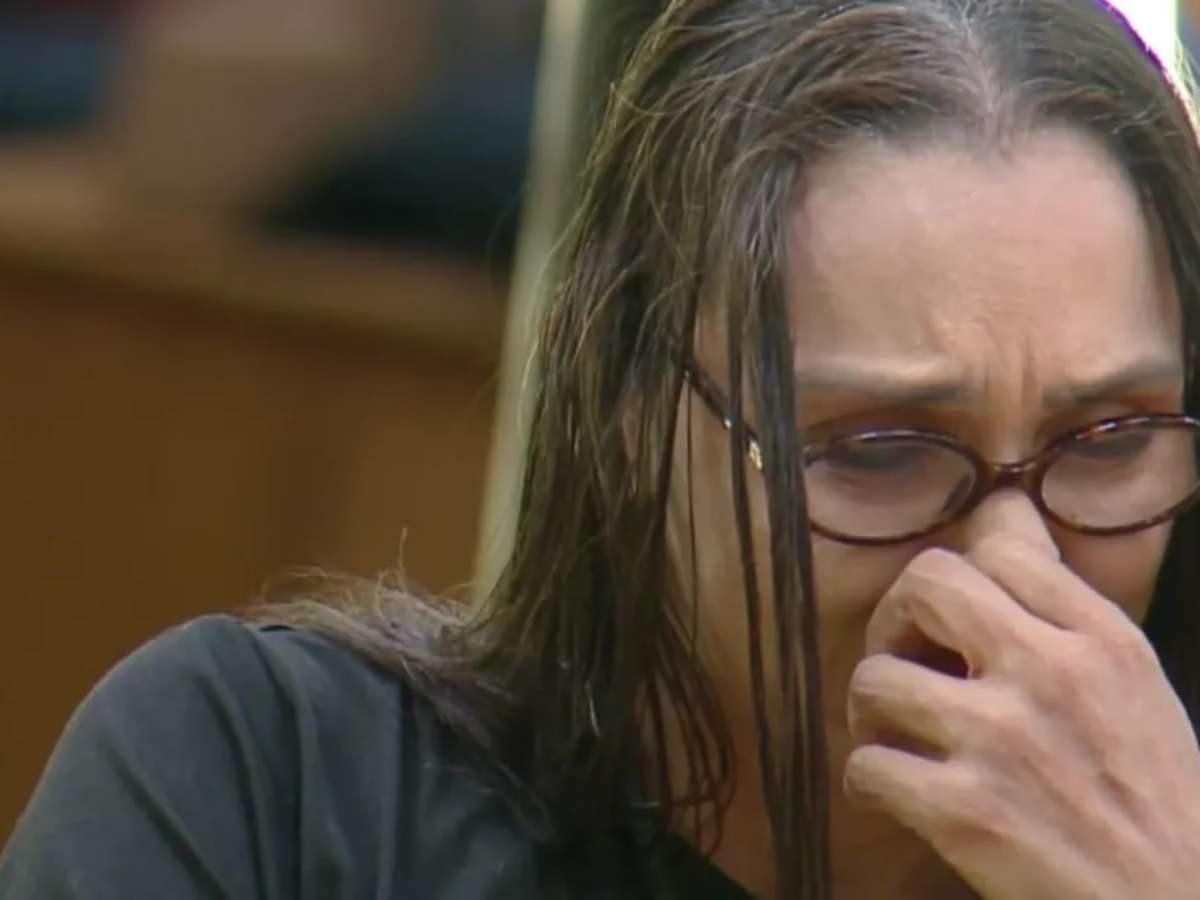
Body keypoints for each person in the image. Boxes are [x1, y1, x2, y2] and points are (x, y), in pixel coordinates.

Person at [5, 1, 1200, 897]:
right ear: (631, 414)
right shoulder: (271, 779)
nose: (1015, 566)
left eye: (1111, 440)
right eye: (882, 452)